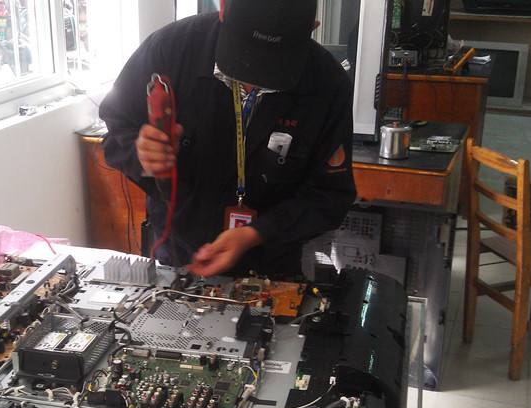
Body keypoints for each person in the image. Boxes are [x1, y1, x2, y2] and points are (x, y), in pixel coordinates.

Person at [99, 0, 356, 278]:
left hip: (271, 263)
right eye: (246, 51)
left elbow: (330, 195)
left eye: (273, 60)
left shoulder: (328, 83)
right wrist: (141, 153)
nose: (253, 78)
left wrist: (256, 233)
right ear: (222, 8)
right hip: (177, 252)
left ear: (311, 28)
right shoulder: (169, 49)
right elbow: (117, 129)